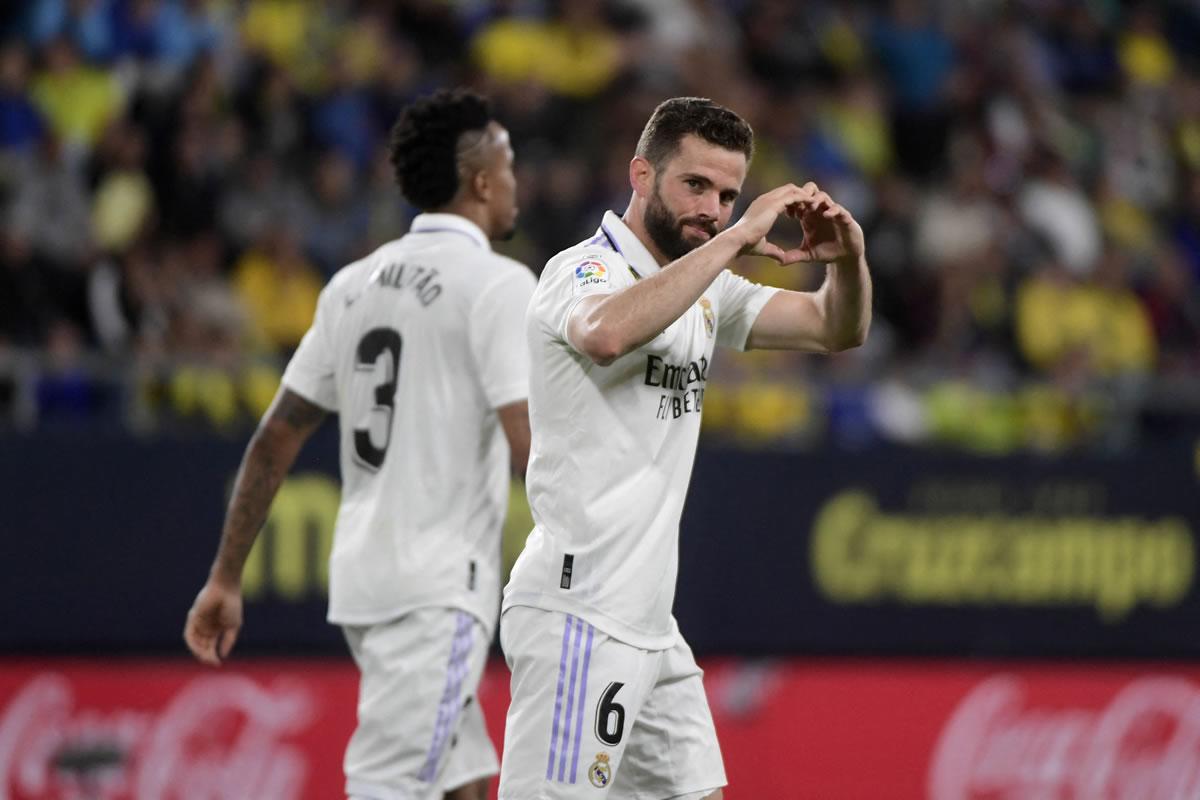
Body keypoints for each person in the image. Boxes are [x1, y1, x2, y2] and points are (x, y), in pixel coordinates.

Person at [498, 97, 872, 799]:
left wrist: (848, 258)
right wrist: (735, 241)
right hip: (580, 614)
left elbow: (833, 327)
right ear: (642, 174)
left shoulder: (705, 289)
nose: (714, 208)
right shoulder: (582, 271)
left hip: (650, 623)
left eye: (729, 195)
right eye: (695, 185)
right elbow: (605, 333)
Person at [183, 88, 536, 800]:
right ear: (481, 180)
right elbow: (532, 448)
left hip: (364, 585)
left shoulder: (351, 285)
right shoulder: (498, 286)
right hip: (438, 589)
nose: (517, 181)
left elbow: (278, 431)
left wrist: (226, 576)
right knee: (390, 786)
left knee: (463, 777)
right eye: (510, 164)